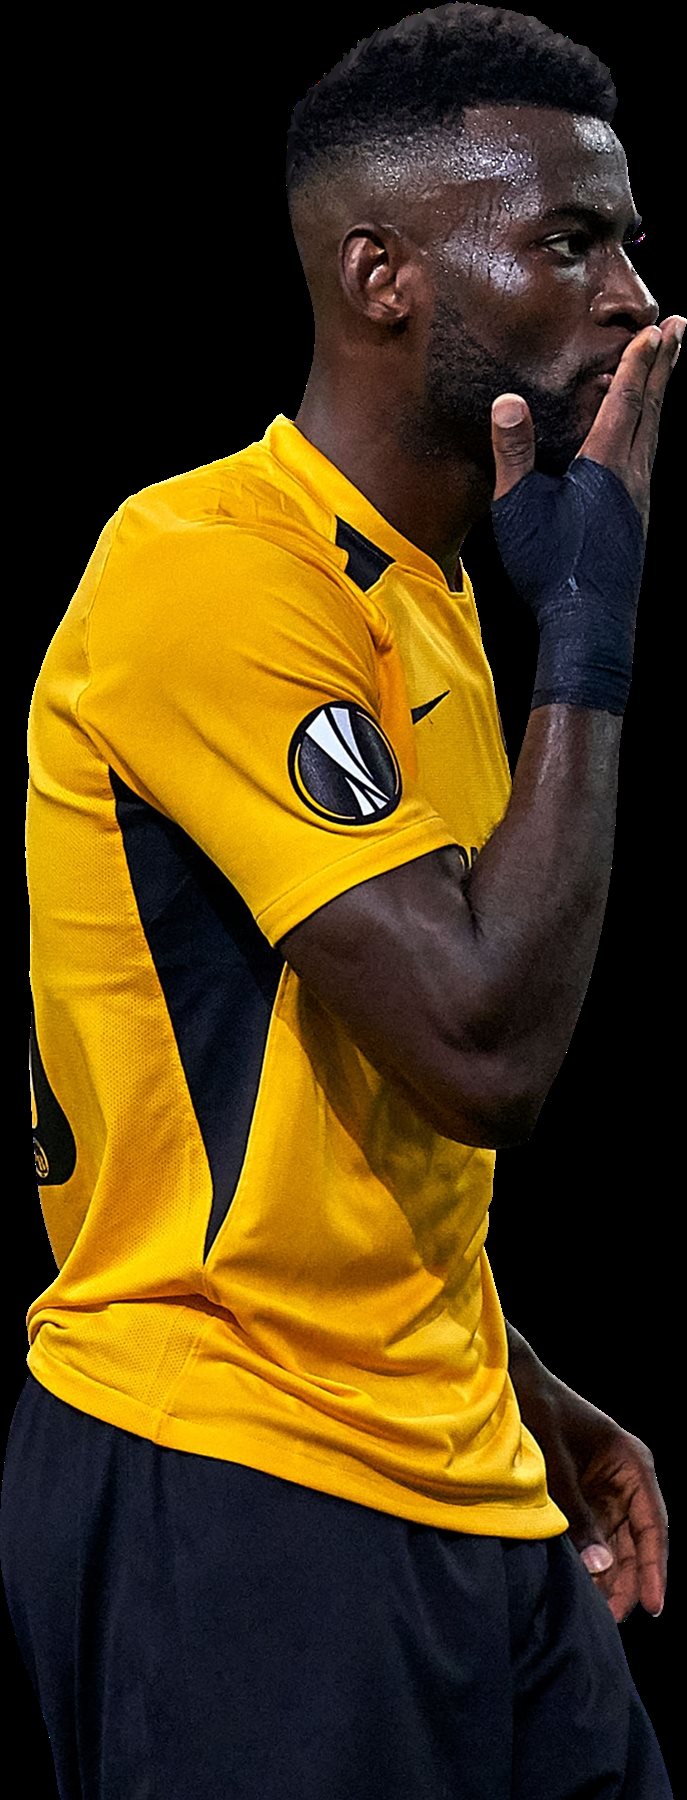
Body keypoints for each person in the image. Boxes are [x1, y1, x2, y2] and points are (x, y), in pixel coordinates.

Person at [1, 4, 680, 1795]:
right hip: (239, 1478)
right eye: (568, 243)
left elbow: (352, 1106)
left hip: (461, 1468)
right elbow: (480, 1050)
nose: (632, 298)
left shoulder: (431, 598)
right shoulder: (207, 574)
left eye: (629, 241)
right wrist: (592, 626)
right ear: (384, 277)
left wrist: (515, 1375)